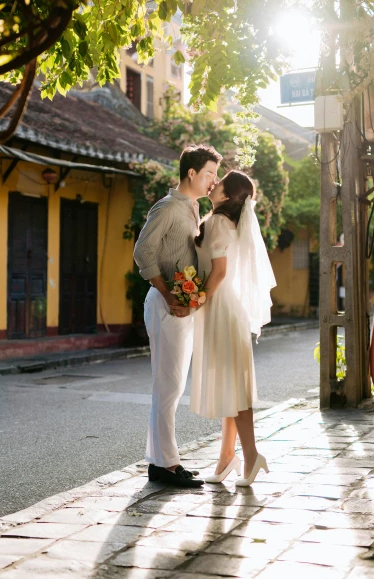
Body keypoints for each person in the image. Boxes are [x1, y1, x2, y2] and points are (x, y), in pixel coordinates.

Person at [134, 144, 222, 488]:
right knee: (167, 386)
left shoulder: (192, 207)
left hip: (180, 304)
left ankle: (162, 461)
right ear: (191, 173)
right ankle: (166, 466)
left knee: (171, 386)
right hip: (165, 303)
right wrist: (169, 293)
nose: (214, 180)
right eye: (210, 173)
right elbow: (143, 250)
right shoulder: (169, 207)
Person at [190, 170, 276, 486]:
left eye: (220, 182)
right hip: (228, 309)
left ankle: (252, 457)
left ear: (226, 196)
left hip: (220, 310)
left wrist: (196, 300)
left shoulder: (215, 223)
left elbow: (220, 272)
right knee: (232, 385)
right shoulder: (230, 223)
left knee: (235, 389)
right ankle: (227, 458)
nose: (214, 184)